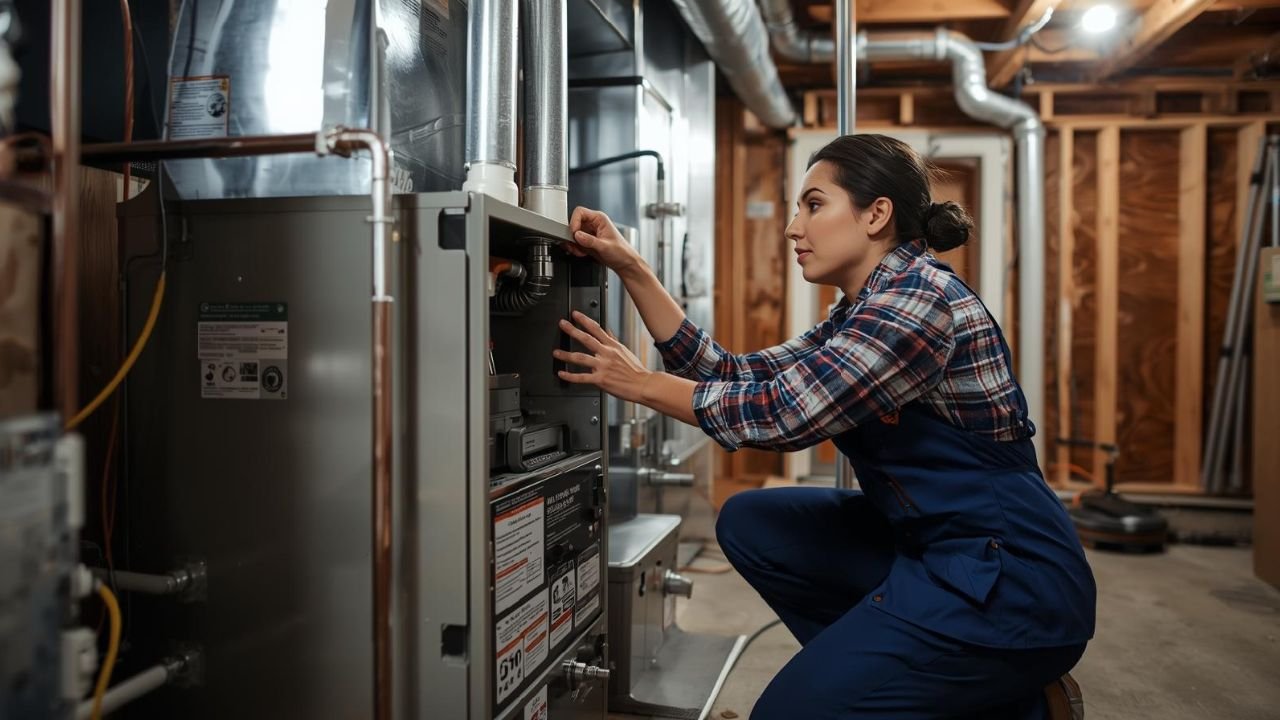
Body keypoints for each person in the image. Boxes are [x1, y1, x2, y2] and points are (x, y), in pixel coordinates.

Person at [553, 133, 1096, 719]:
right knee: (753, 520)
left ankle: (1010, 700)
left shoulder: (918, 302)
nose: (793, 227)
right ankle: (912, 680)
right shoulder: (860, 311)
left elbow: (780, 416)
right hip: (931, 548)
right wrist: (631, 266)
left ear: (876, 214)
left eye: (813, 205)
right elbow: (732, 374)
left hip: (1011, 582)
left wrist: (637, 383)